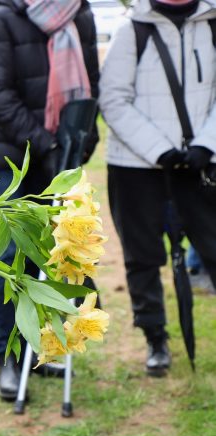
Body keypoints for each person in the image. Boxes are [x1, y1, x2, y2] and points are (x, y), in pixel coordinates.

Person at [0, 0, 99, 400]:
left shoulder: (81, 15)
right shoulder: (0, 18)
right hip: (7, 155)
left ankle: (41, 349)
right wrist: (46, 143)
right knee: (10, 255)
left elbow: (90, 84)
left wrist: (82, 140)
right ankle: (8, 361)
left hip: (60, 153)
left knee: (54, 254)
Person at [99, 0, 216, 376]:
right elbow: (114, 100)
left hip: (201, 164)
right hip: (137, 167)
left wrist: (205, 144)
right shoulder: (131, 29)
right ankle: (155, 337)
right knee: (143, 256)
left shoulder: (212, 24)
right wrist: (159, 150)